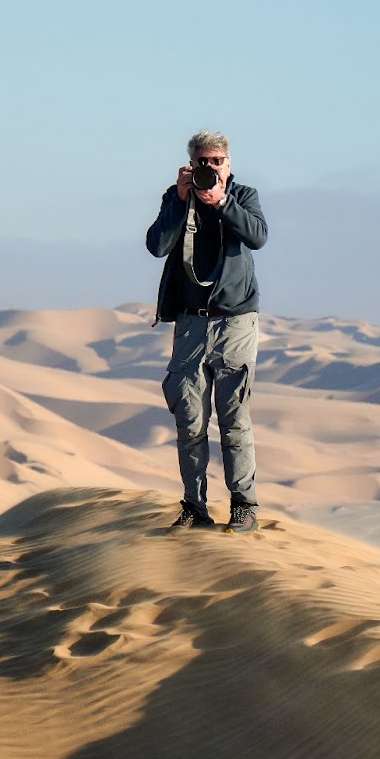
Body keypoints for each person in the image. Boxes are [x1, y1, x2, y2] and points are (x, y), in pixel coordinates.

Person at [144, 130, 268, 533]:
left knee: (234, 420)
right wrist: (181, 203)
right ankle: (194, 507)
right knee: (190, 420)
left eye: (216, 162)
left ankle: (243, 506)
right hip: (191, 323)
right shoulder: (176, 197)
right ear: (189, 164)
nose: (209, 169)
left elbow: (257, 236)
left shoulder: (243, 196)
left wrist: (222, 202)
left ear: (228, 164)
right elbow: (157, 246)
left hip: (234, 322)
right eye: (202, 162)